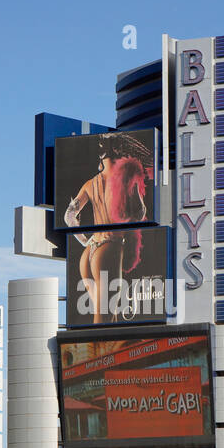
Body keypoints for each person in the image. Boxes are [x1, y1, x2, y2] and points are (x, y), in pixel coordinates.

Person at [64, 132, 154, 325]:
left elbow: (69, 216)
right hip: (109, 248)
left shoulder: (90, 183)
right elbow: (139, 213)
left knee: (107, 316)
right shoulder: (125, 180)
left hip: (88, 253)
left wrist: (85, 240)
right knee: (104, 318)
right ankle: (100, 355)